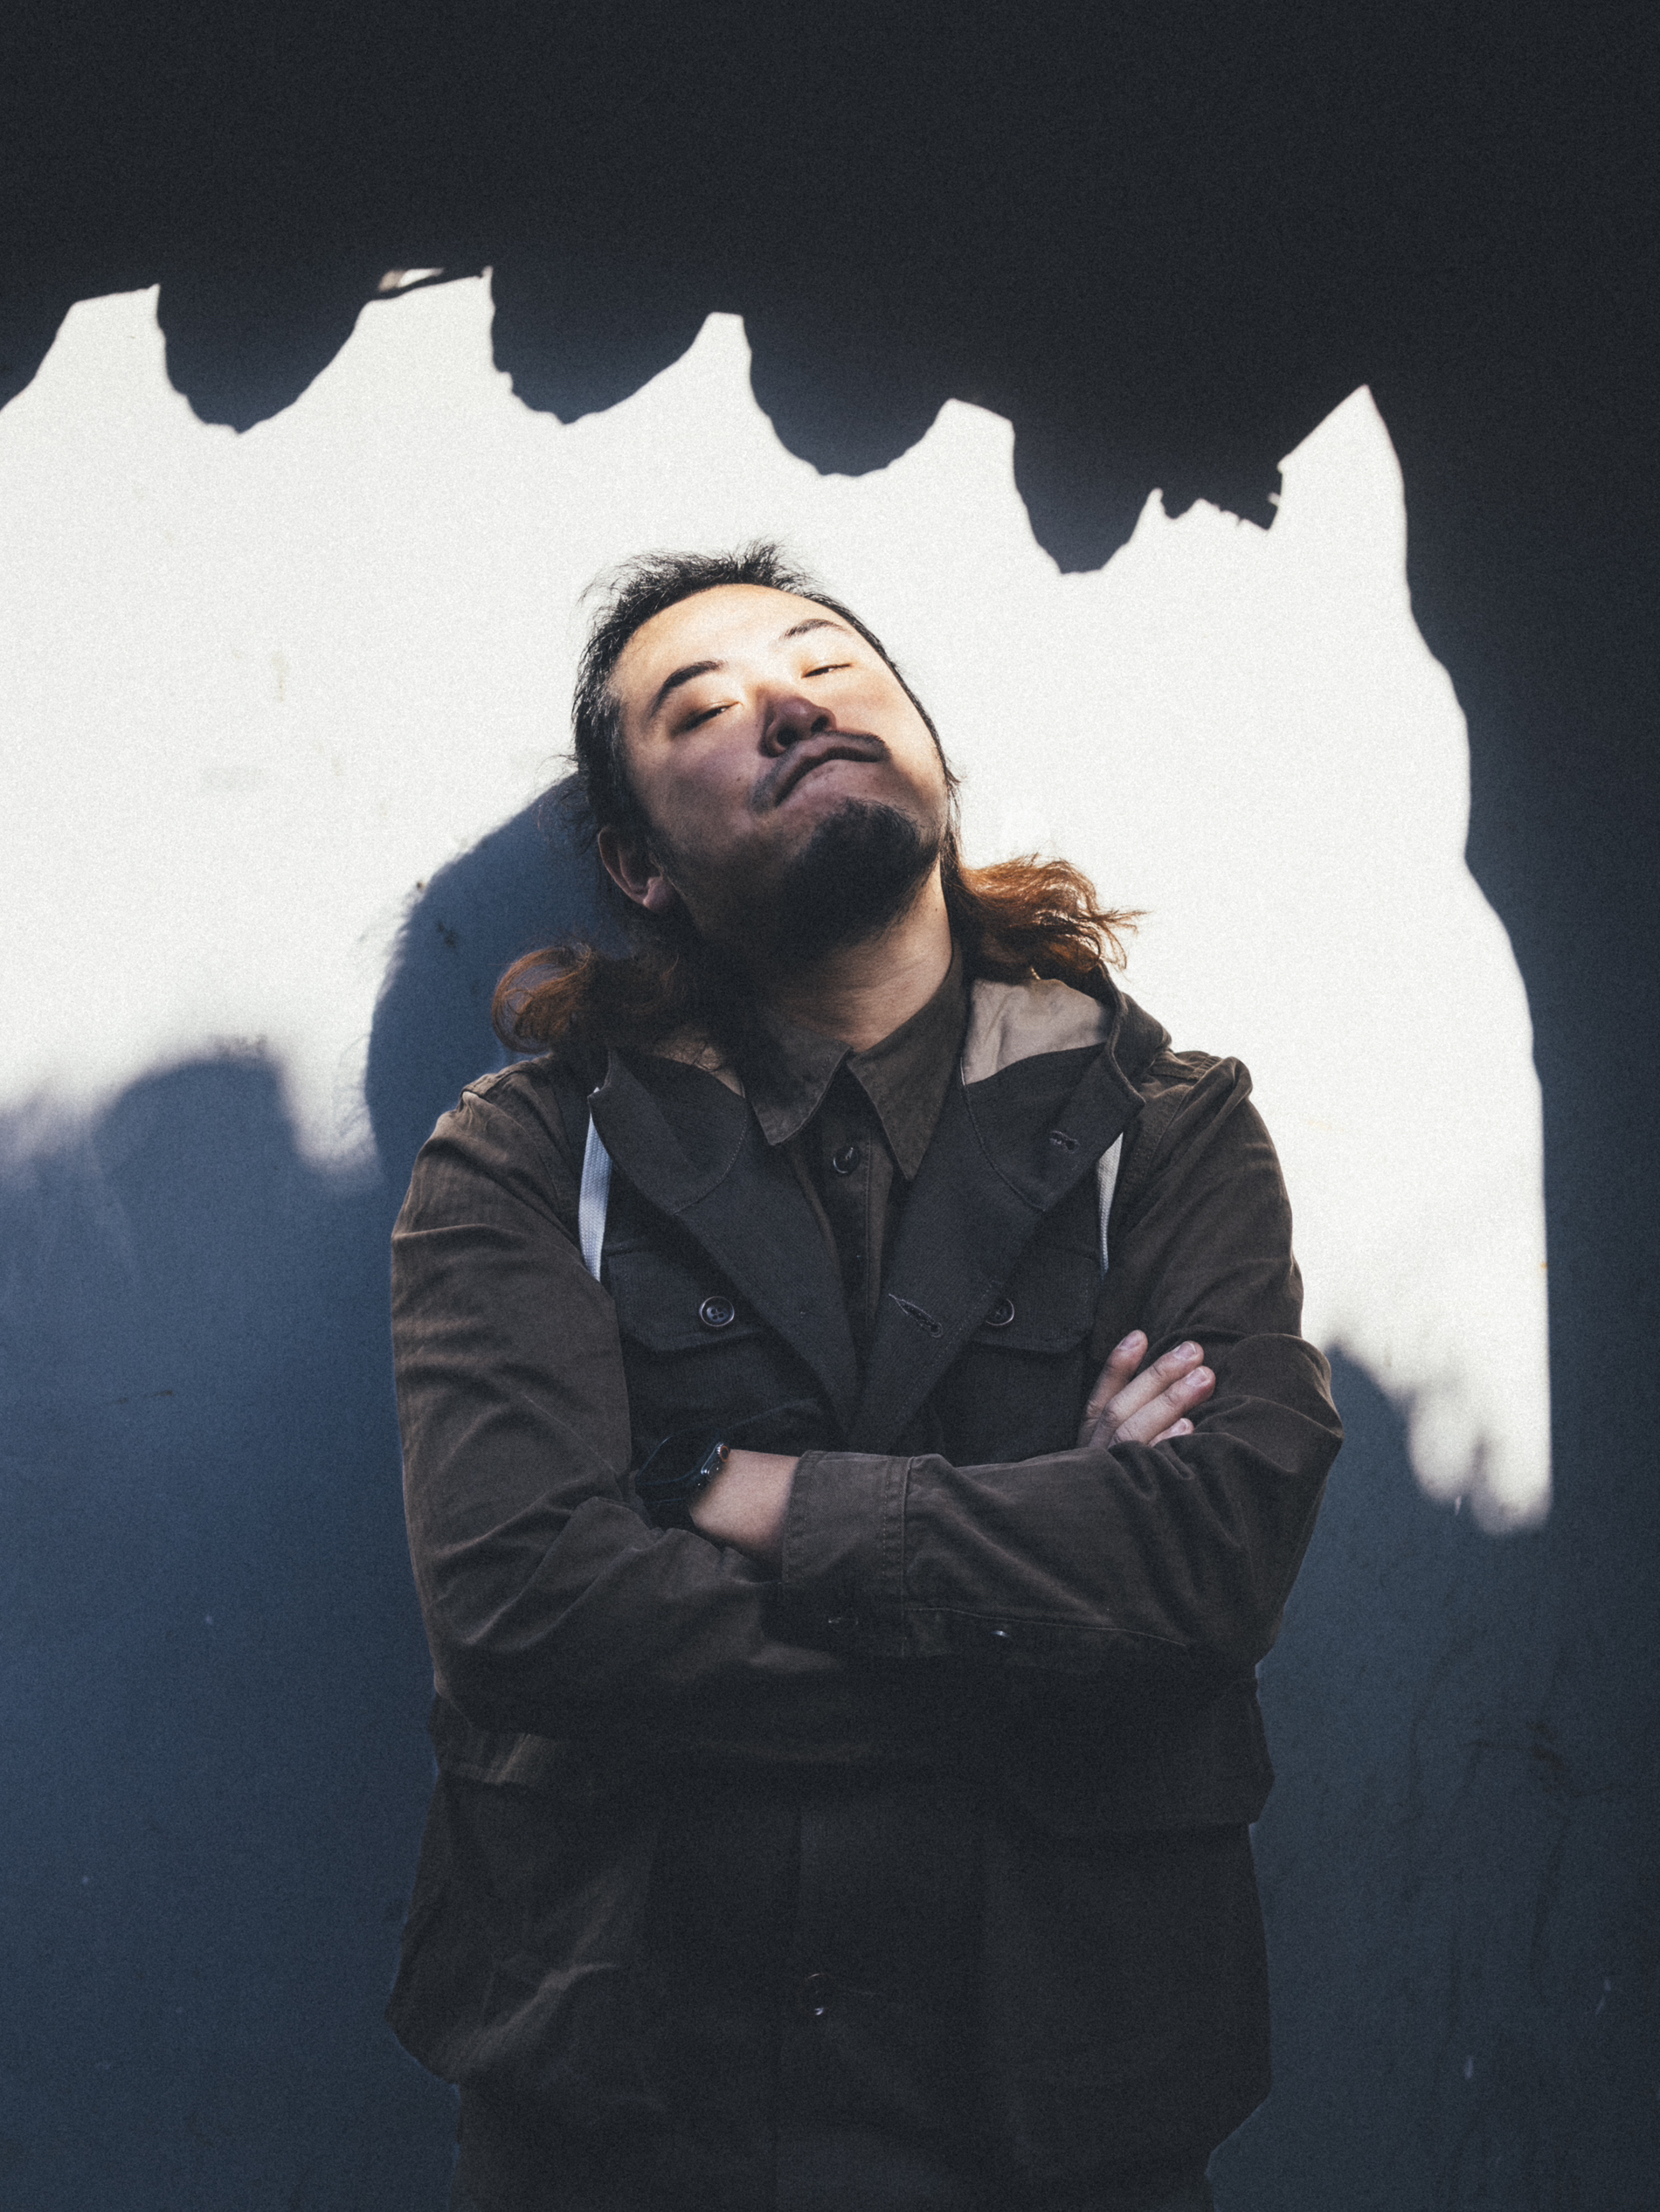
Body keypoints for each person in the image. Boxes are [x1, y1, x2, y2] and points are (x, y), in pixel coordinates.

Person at [386, 543, 1342, 2212]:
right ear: (639, 865)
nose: (790, 707)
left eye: (828, 665)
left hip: (1058, 2114)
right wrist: (1048, 1588)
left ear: (933, 760)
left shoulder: (1165, 1128)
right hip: (626, 2111)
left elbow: (1214, 1556)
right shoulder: (530, 1154)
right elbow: (526, 1604)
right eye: (704, 708)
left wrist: (758, 1506)